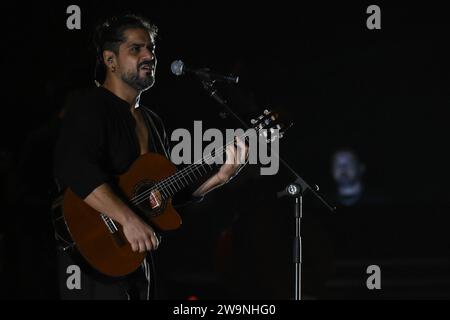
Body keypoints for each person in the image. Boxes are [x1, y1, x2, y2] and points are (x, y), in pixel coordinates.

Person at [53, 14, 247, 300]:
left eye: (151, 49)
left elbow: (163, 196)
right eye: (136, 49)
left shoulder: (153, 121)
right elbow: (74, 168)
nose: (149, 56)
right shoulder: (90, 107)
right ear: (110, 60)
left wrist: (221, 176)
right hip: (94, 255)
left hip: (136, 259)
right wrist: (128, 220)